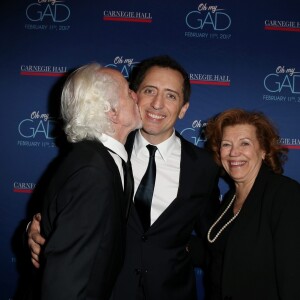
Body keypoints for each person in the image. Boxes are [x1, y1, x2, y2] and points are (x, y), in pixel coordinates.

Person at [27, 55, 220, 300]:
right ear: (134, 94)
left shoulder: (203, 166)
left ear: (183, 109)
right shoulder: (104, 153)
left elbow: (214, 237)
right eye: (149, 90)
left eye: (171, 95)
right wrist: (32, 230)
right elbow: (54, 210)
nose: (157, 104)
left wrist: (181, 251)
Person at [31, 63, 142, 300]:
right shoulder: (93, 171)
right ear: (112, 112)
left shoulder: (102, 159)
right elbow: (65, 282)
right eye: (128, 91)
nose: (136, 95)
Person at [204, 108, 300, 300]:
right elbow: (222, 253)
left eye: (245, 143)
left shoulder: (284, 194)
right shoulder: (231, 198)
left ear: (263, 150)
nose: (234, 153)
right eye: (226, 144)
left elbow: (292, 278)